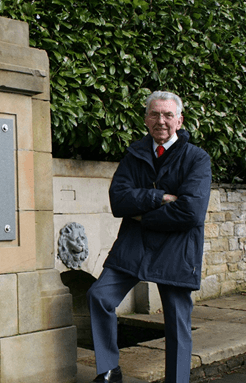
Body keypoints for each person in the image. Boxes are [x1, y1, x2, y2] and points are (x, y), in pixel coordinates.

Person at [87, 91, 211, 383]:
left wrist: (142, 214)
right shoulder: (134, 153)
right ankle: (108, 369)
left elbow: (191, 212)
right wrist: (159, 197)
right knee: (99, 295)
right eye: (155, 114)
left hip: (177, 249)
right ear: (146, 119)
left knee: (177, 324)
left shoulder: (197, 158)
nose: (161, 121)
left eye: (168, 115)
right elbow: (119, 201)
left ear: (179, 120)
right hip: (135, 246)